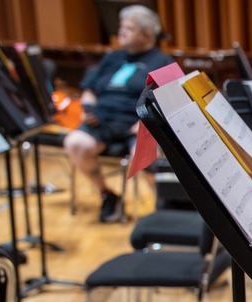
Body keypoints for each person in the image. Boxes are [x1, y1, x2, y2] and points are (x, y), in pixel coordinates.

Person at [63, 5, 172, 222]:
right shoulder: (112, 57)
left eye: (128, 28)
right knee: (75, 143)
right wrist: (87, 110)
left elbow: (167, 100)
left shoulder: (162, 62)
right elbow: (90, 91)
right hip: (101, 121)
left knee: (144, 157)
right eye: (121, 27)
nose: (120, 32)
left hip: (138, 123)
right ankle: (107, 195)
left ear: (146, 34)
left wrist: (146, 120)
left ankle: (163, 209)